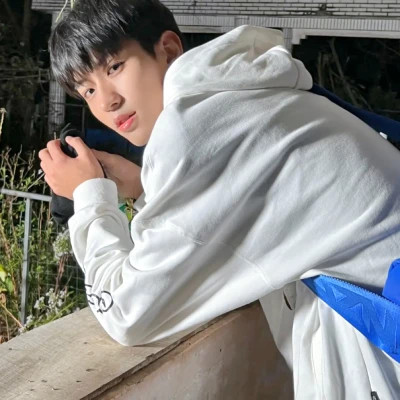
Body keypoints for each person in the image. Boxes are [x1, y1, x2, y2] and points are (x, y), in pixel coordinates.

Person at [39, 0, 400, 398]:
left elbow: (129, 312)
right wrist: (142, 188)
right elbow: (233, 216)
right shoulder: (244, 94)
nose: (107, 101)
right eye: (88, 89)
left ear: (168, 49)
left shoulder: (191, 126)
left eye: (114, 67)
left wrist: (89, 198)